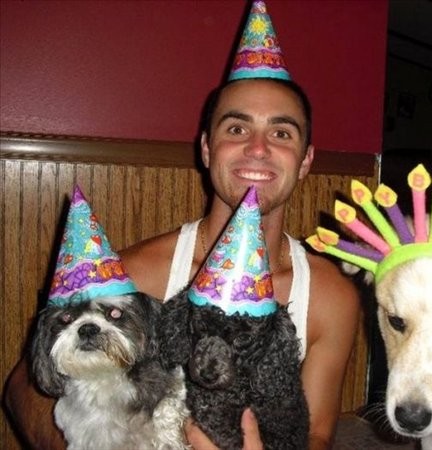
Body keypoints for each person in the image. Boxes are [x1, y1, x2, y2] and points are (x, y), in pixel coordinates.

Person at [4, 3, 361, 449]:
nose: (257, 148)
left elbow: (317, 433)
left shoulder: (330, 297)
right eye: (237, 129)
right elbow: (24, 389)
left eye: (281, 133)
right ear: (207, 149)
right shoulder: (141, 272)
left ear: (306, 160)